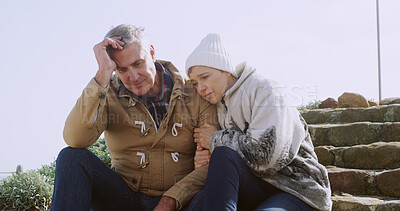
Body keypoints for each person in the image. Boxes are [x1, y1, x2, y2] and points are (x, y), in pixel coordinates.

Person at [50, 24, 218, 211]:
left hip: (179, 201)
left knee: (211, 194)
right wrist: (102, 76)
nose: (133, 76)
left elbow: (210, 161)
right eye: (122, 69)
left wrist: (171, 199)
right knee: (71, 157)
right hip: (123, 197)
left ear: (152, 53)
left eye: (138, 63)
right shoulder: (106, 92)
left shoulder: (194, 92)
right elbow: (75, 139)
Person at [185, 33, 332, 211]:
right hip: (258, 187)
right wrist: (208, 157)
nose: (200, 88)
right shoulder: (219, 103)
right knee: (197, 202)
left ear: (225, 70)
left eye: (205, 77)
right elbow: (228, 157)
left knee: (222, 151)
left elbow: (266, 157)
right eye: (195, 83)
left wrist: (214, 140)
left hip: (297, 189)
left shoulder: (264, 90)